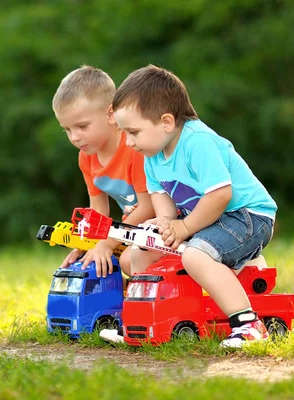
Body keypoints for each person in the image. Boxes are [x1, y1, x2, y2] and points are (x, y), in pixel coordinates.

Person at [102, 65, 277, 347]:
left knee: (195, 256)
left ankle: (248, 324)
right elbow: (160, 194)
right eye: (124, 133)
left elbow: (220, 195)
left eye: (133, 132)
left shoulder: (197, 142)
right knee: (143, 248)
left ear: (166, 122)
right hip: (205, 218)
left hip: (246, 216)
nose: (129, 142)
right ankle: (141, 321)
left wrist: (184, 226)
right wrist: (165, 220)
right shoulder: (153, 153)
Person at [52, 65, 154, 278]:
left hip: (163, 224)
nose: (74, 137)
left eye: (82, 126)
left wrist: (108, 243)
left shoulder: (134, 146)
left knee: (126, 260)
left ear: (110, 114)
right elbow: (98, 209)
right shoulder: (86, 157)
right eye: (67, 130)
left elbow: (148, 207)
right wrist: (86, 243)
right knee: (91, 261)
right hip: (133, 230)